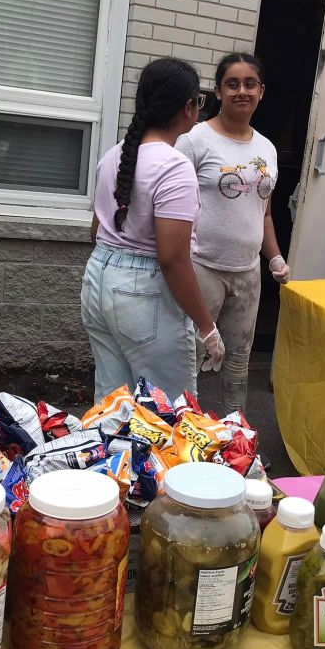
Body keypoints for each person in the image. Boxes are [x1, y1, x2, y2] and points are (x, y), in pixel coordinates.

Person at [83, 58, 225, 401]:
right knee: (166, 408)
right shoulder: (174, 166)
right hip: (142, 294)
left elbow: (96, 232)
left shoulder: (114, 156)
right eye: (200, 101)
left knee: (113, 403)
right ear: (188, 107)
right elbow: (173, 258)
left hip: (98, 279)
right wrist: (206, 326)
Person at [175, 53, 290, 416]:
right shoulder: (195, 140)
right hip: (201, 267)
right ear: (218, 91)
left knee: (239, 359)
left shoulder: (267, 148)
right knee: (190, 357)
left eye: (250, 84)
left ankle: (235, 431)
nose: (242, 91)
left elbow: (264, 213)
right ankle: (180, 428)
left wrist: (275, 258)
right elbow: (170, 206)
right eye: (233, 84)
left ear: (261, 91)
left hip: (247, 271)